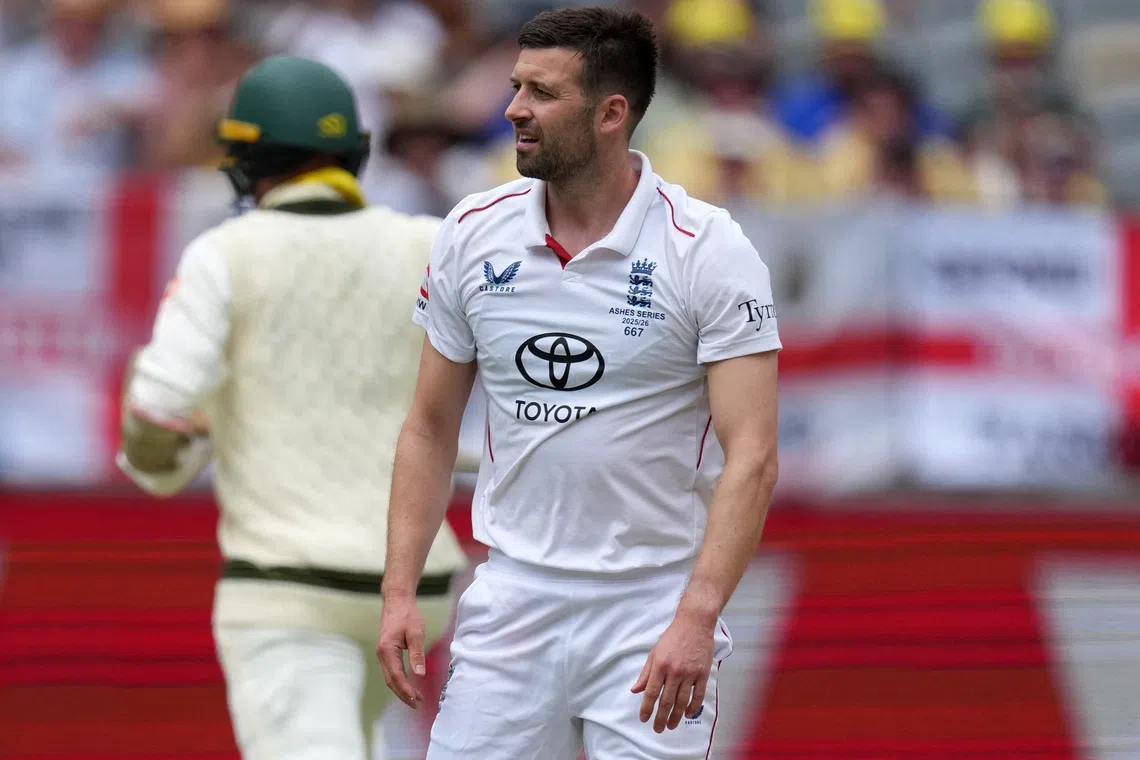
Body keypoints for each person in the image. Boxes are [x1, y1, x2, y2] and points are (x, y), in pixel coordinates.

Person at [377, 7, 781, 760]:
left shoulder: (708, 249)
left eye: (541, 92)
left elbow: (753, 454)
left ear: (610, 113)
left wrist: (697, 614)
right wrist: (400, 588)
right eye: (515, 86)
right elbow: (429, 426)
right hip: (513, 602)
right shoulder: (470, 230)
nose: (513, 110)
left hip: (652, 608)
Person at [116, 55, 466, 760]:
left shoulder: (226, 252)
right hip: (419, 591)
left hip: (287, 591)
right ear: (353, 154)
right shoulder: (428, 244)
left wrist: (161, 461)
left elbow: (157, 408)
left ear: (246, 158)